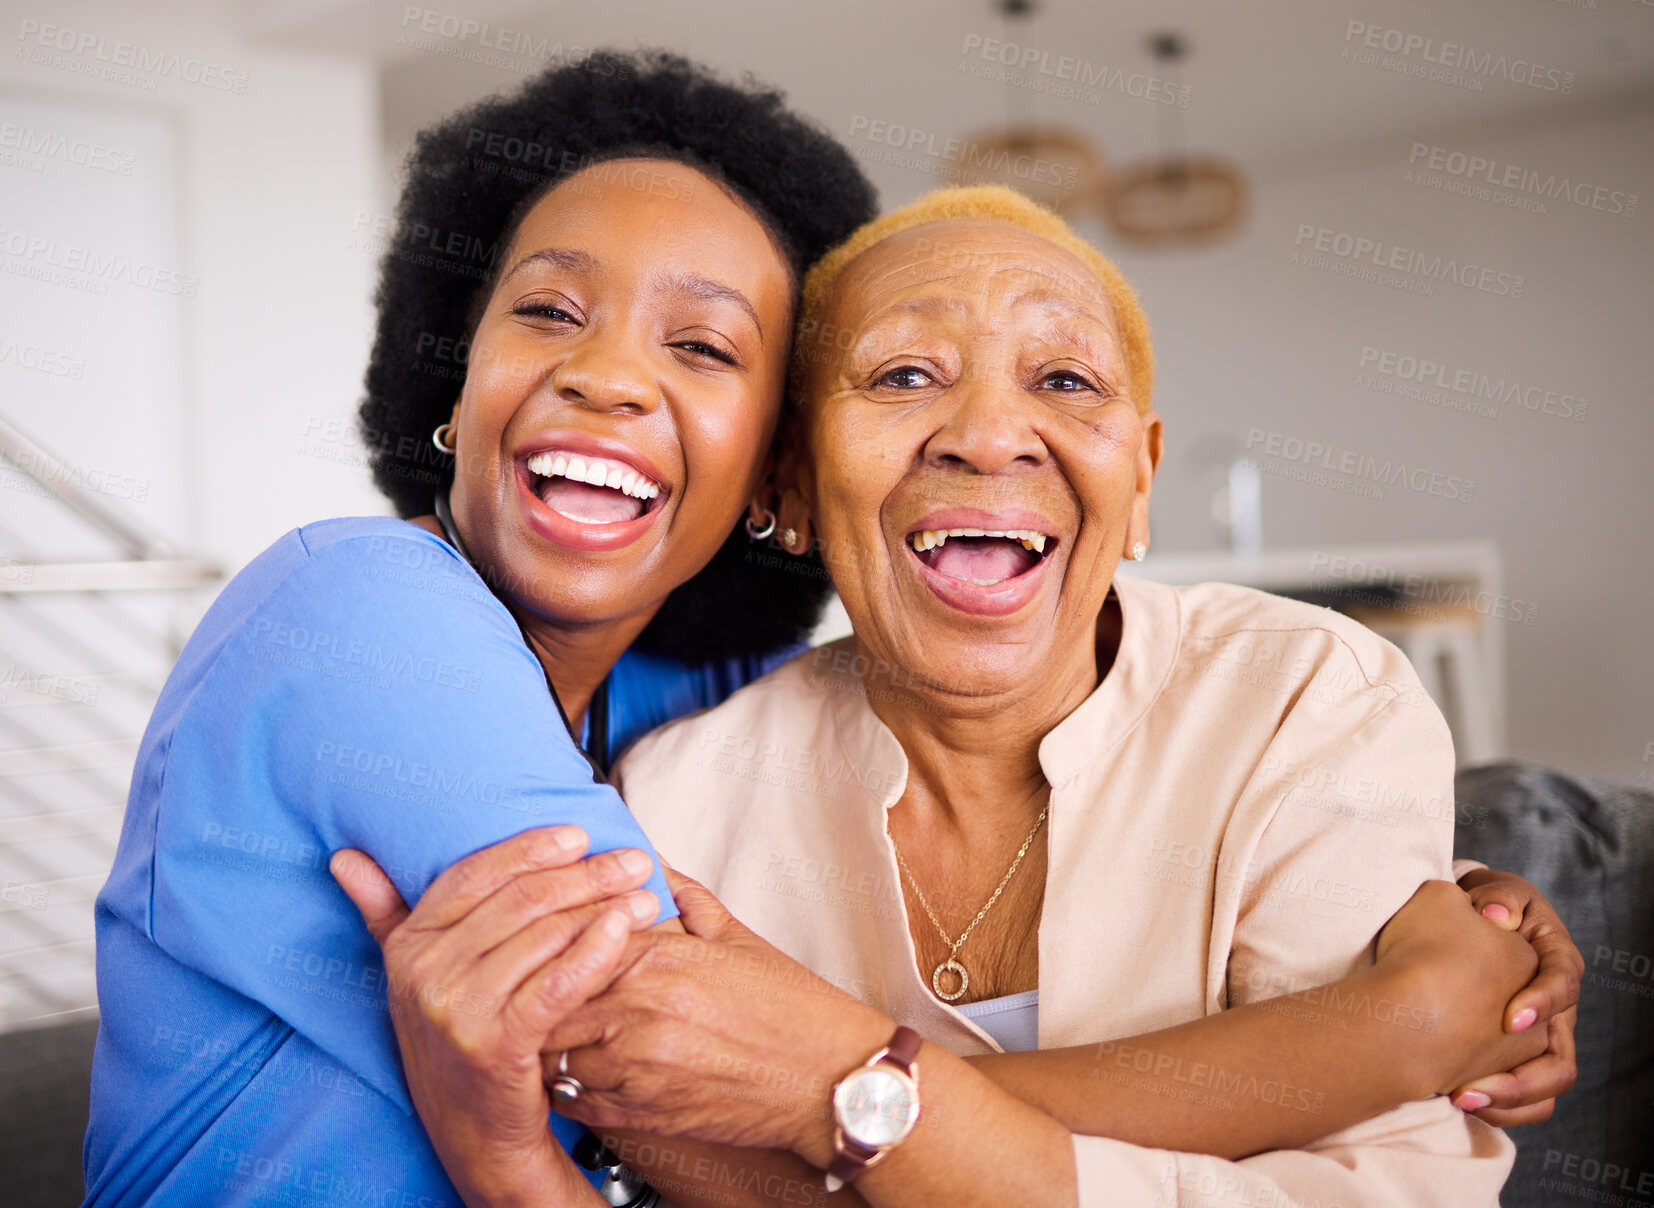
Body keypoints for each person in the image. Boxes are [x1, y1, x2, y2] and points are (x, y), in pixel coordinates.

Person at [338, 186, 1583, 1208]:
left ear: (1140, 482)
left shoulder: (1305, 697)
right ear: (791, 484)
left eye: (1064, 382)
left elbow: (1379, 1191)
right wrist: (1386, 1032)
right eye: (901, 377)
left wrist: (830, 1086)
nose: (988, 435)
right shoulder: (680, 802)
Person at [80, 51, 877, 1208]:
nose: (605, 374)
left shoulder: (696, 678)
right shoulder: (355, 603)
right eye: (548, 310)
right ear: (455, 385)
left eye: (701, 345)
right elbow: (739, 1090)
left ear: (773, 471)